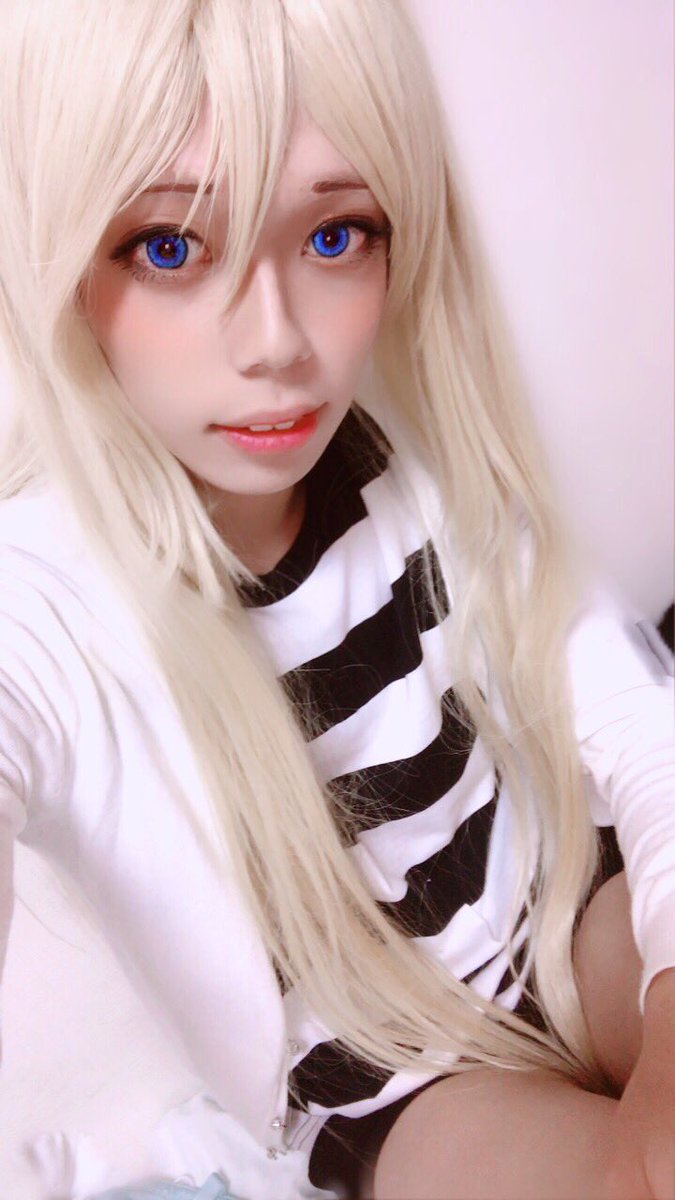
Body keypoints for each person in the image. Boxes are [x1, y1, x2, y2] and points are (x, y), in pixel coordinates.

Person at [0, 1, 673, 1198]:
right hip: (388, 1083)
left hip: (570, 913)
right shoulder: (47, 606)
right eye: (169, 247)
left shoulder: (395, 442)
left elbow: (625, 706)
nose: (277, 343)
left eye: (335, 234)